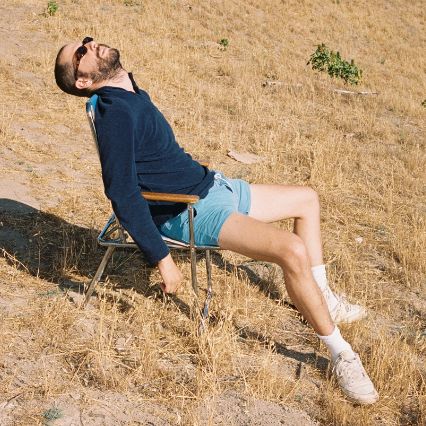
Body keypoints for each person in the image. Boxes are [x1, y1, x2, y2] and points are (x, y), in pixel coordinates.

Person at [54, 37, 379, 405]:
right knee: (291, 250)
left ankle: (323, 300)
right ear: (82, 81)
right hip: (190, 210)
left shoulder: (127, 89)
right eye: (81, 52)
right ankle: (340, 352)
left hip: (212, 185)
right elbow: (122, 193)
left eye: (86, 40)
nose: (91, 44)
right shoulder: (117, 113)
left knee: (307, 199)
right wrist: (163, 260)